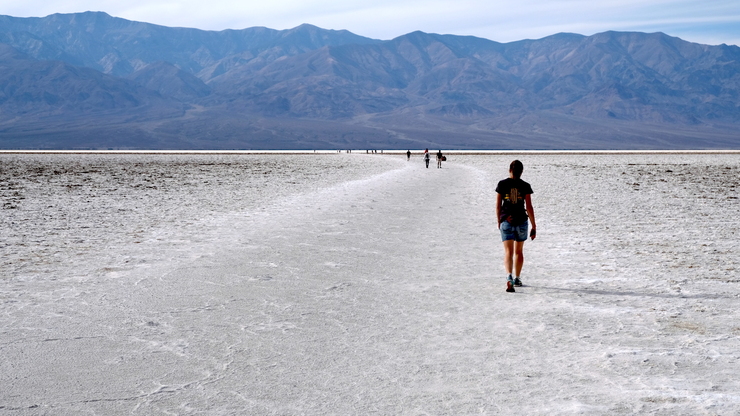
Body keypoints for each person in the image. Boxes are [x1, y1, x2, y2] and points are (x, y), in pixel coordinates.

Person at [496, 160, 536, 293]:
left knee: (508, 252)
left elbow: (498, 205)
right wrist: (534, 225)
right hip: (521, 221)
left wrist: (499, 220)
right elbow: (529, 207)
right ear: (521, 171)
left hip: (507, 220)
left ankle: (509, 277)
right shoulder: (525, 186)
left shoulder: (502, 184)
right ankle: (517, 278)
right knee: (518, 251)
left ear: (510, 170)